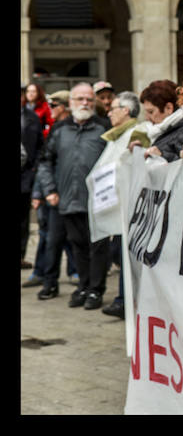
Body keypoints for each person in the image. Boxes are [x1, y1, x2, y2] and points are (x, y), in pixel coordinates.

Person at [35, 82, 111, 309]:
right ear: (71, 103)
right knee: (77, 245)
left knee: (98, 247)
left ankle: (96, 291)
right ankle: (84, 287)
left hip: (98, 200)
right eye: (80, 99)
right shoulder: (60, 130)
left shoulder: (104, 128)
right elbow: (45, 162)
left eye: (89, 99)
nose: (85, 103)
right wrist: (50, 190)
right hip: (67, 198)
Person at [96, 91, 150, 319]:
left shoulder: (136, 133)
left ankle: (125, 300)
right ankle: (123, 299)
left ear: (125, 111)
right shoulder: (116, 134)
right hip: (118, 203)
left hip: (130, 206)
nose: (109, 112)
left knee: (124, 253)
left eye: (114, 108)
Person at [30, 90, 80, 299]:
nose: (50, 110)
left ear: (64, 107)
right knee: (51, 240)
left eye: (54, 106)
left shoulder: (88, 127)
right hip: (56, 196)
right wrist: (44, 191)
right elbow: (45, 162)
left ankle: (80, 278)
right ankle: (49, 280)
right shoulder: (56, 129)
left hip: (77, 197)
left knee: (76, 240)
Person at [131, 79, 183, 162]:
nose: (147, 118)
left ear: (168, 108)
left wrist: (162, 155)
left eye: (151, 112)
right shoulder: (166, 129)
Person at [21, 86, 44, 271]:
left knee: (23, 219)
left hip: (26, 176)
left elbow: (39, 146)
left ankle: (21, 256)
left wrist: (35, 167)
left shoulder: (32, 117)